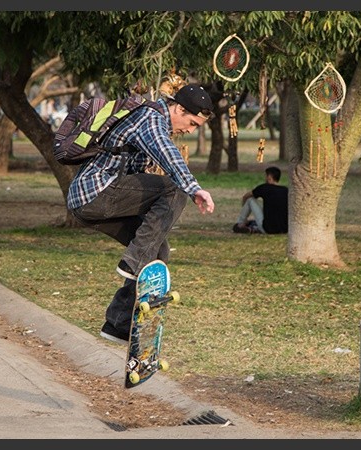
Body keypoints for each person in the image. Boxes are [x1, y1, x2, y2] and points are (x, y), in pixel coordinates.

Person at [66, 83, 216, 344]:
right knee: (175, 188)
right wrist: (194, 189)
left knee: (158, 252)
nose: (190, 131)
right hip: (96, 193)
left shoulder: (149, 121)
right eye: (192, 123)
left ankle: (118, 323)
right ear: (179, 108)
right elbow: (169, 155)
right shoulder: (150, 118)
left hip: (90, 205)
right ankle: (133, 263)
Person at [233, 166, 289, 234]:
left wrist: (243, 206)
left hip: (267, 229)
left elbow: (246, 196)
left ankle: (240, 224)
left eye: (265, 175)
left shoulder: (264, 187)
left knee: (250, 200)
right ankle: (252, 227)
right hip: (284, 229)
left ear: (269, 177)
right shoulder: (286, 190)